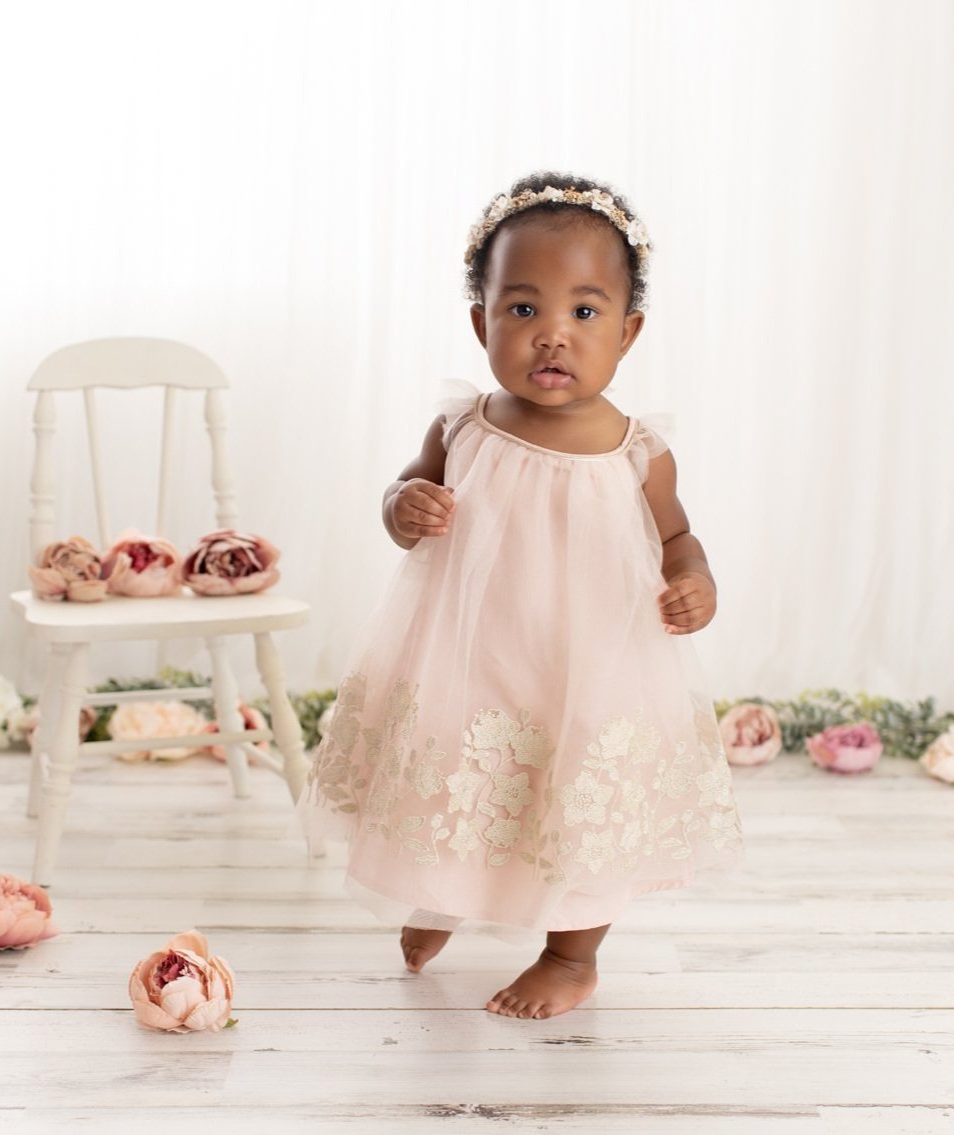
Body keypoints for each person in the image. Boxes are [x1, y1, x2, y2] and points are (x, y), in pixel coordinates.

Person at [302, 172, 742, 1019]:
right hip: (471, 649)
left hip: (591, 661)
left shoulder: (633, 450)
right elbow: (404, 498)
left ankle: (571, 956)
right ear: (481, 322)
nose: (552, 336)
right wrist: (404, 505)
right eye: (521, 309)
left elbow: (675, 536)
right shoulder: (463, 426)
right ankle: (442, 893)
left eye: (583, 312)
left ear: (628, 330)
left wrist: (694, 578)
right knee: (459, 774)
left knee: (574, 791)